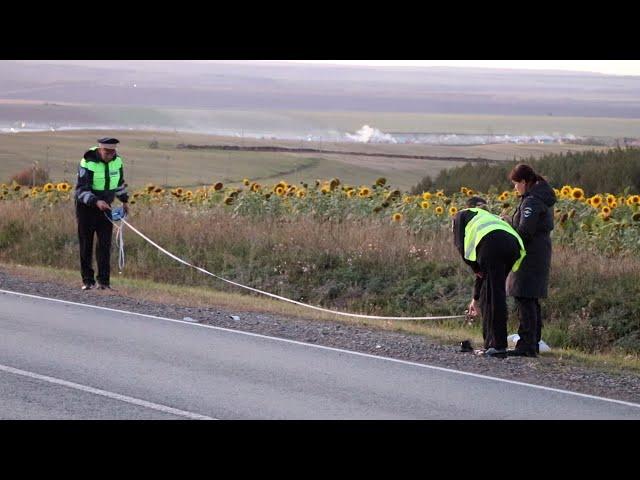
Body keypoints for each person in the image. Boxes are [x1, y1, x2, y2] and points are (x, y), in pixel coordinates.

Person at [452, 196, 526, 358]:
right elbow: (482, 275)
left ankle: (498, 346)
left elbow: (460, 245)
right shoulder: (489, 217)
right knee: (492, 293)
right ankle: (490, 344)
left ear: (467, 206)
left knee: (494, 296)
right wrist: (476, 298)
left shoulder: (461, 215)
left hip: (493, 246)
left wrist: (474, 267)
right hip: (513, 246)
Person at [504, 164, 557, 357]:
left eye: (516, 184)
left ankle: (526, 345)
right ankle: (532, 343)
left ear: (525, 182)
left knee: (525, 297)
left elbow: (525, 232)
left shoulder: (532, 202)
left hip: (529, 257)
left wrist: (508, 228)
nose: (515, 188)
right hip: (538, 255)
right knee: (530, 299)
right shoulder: (538, 198)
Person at [74, 137, 129, 290]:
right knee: (86, 244)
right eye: (107, 152)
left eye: (112, 152)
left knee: (105, 245)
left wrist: (124, 201)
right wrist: (96, 201)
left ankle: (104, 282)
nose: (110, 155)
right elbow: (80, 190)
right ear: (100, 149)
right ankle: (87, 280)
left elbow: (119, 183)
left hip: (106, 208)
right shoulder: (87, 161)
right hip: (86, 208)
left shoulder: (118, 162)